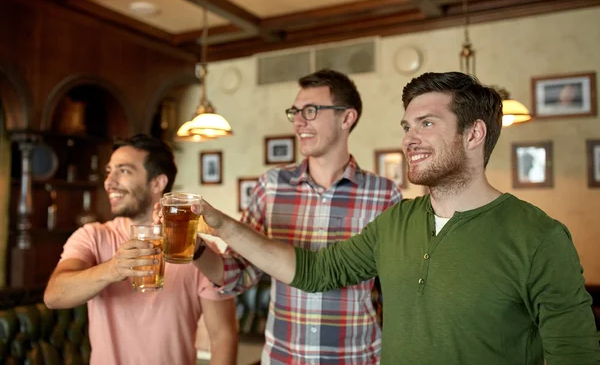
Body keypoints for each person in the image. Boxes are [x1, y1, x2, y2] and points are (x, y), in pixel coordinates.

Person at [184, 72, 600, 364]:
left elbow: (576, 354)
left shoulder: (539, 236)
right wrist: (218, 223)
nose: (408, 139)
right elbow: (315, 270)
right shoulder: (397, 221)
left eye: (427, 123)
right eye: (407, 125)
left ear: (474, 134)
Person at [185, 69, 402, 364]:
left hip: (356, 358)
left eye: (310, 111)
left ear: (347, 118)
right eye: (295, 112)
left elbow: (399, 290)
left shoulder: (384, 194)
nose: (299, 121)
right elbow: (235, 273)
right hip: (283, 358)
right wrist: (194, 247)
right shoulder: (271, 186)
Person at [44, 134, 238, 365]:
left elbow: (223, 336)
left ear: (157, 183)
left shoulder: (197, 251)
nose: (109, 182)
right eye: (109, 171)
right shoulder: (92, 236)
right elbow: (54, 296)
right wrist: (113, 269)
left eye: (124, 171)